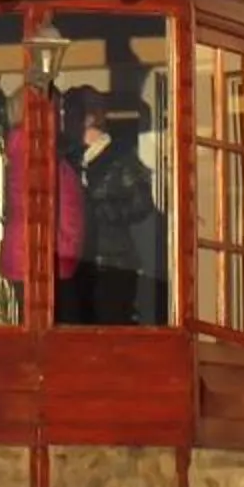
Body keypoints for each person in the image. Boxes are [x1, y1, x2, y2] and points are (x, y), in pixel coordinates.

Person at [70, 89, 165, 327]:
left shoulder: (122, 157)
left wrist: (98, 209)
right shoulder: (71, 158)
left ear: (88, 118)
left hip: (115, 264)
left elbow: (142, 203)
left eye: (69, 114)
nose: (65, 122)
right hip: (79, 264)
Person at [0, 108, 85, 315]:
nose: (60, 118)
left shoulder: (22, 151)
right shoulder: (39, 152)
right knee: (55, 332)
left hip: (23, 255)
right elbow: (67, 212)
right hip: (45, 259)